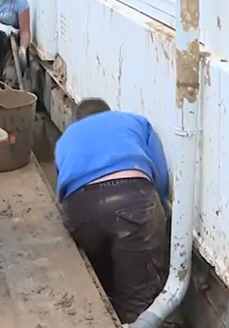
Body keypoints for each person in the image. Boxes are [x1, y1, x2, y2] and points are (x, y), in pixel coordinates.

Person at [55, 98, 171, 323]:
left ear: (76, 121)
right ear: (109, 112)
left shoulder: (65, 138)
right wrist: (159, 213)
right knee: (138, 295)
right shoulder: (136, 122)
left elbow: (62, 187)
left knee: (99, 276)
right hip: (133, 199)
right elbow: (161, 177)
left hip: (81, 207)